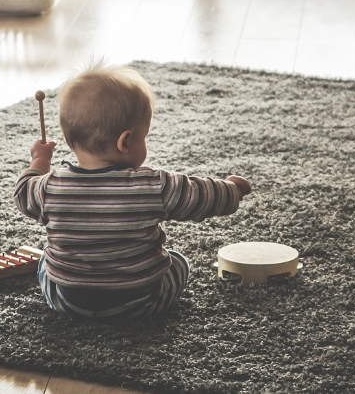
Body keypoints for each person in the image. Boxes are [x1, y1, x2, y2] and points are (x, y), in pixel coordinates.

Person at [14, 63, 251, 320]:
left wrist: (39, 160)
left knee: (44, 263)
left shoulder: (49, 188)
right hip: (141, 302)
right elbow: (201, 195)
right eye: (144, 136)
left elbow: (23, 192)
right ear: (125, 141)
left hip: (69, 302)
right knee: (179, 262)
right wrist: (232, 189)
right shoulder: (154, 186)